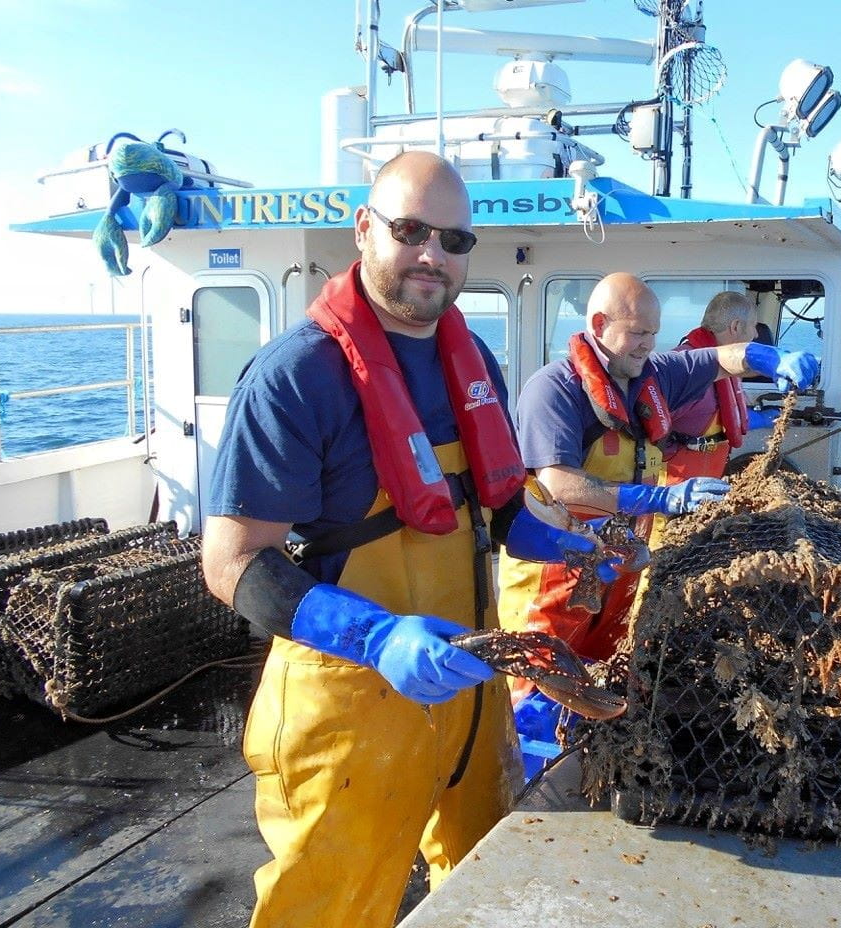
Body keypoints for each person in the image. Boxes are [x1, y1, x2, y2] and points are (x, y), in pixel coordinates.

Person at [201, 151, 594, 928]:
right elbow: (231, 561)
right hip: (351, 709)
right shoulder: (295, 376)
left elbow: (493, 508)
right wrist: (376, 637)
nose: (431, 255)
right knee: (329, 911)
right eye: (410, 230)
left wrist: (571, 543)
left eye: (453, 240)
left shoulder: (472, 363)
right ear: (363, 229)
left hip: (471, 689)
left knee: (484, 889)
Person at [495, 273, 819, 768]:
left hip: (619, 569)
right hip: (555, 574)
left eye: (653, 333)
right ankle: (526, 786)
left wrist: (769, 358)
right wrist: (661, 498)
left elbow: (720, 358)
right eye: (637, 333)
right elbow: (559, 485)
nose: (648, 344)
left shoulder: (654, 374)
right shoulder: (554, 388)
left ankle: (589, 773)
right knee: (536, 691)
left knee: (602, 681)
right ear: (599, 324)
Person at [666, 290, 761, 481]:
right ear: (736, 327)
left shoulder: (728, 367)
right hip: (672, 490)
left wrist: (761, 419)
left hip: (706, 487)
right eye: (754, 325)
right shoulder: (685, 369)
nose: (756, 334)